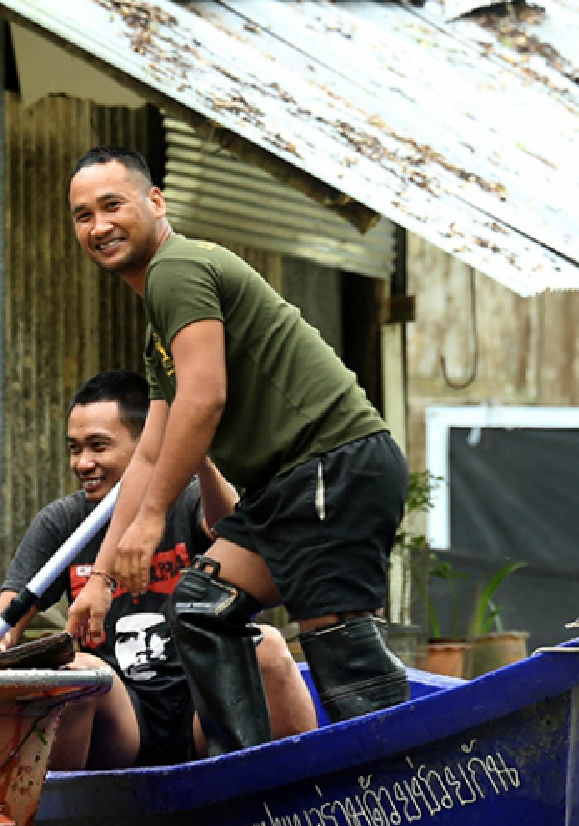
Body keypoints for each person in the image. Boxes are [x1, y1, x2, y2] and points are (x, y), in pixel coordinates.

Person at [63, 146, 411, 753]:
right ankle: (242, 776)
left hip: (329, 466)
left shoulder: (177, 269)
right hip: (285, 490)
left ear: (155, 202)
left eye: (112, 205)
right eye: (83, 215)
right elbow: (149, 456)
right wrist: (103, 580)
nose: (99, 226)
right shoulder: (161, 324)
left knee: (337, 637)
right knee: (200, 609)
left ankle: (398, 783)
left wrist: (152, 518)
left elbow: (204, 399)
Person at [0, 370, 316, 770]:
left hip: (203, 707)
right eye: (74, 449)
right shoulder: (62, 522)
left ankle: (306, 795)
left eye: (98, 446)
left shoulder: (188, 500)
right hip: (123, 719)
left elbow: (233, 528)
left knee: (267, 646)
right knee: (80, 672)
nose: (83, 463)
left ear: (148, 444)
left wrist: (195, 454)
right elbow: (6, 622)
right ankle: (61, 808)